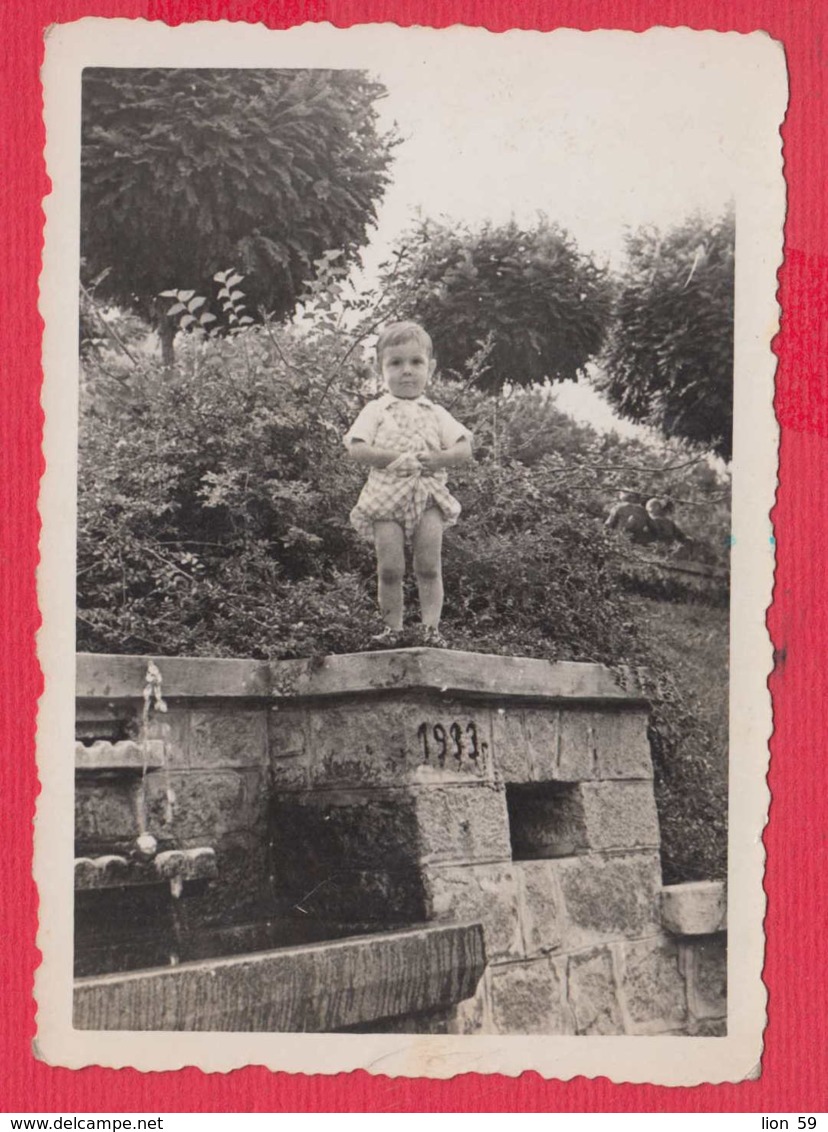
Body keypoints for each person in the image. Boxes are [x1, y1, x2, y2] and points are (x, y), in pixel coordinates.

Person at [344, 321, 473, 647]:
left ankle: (431, 630)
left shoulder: (436, 412)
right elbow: (356, 447)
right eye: (396, 363)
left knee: (428, 566)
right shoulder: (377, 409)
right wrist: (389, 457)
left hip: (427, 496)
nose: (406, 371)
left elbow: (464, 448)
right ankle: (392, 629)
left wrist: (441, 459)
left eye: (416, 362)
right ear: (380, 368)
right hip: (386, 497)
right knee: (390, 567)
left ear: (430, 367)